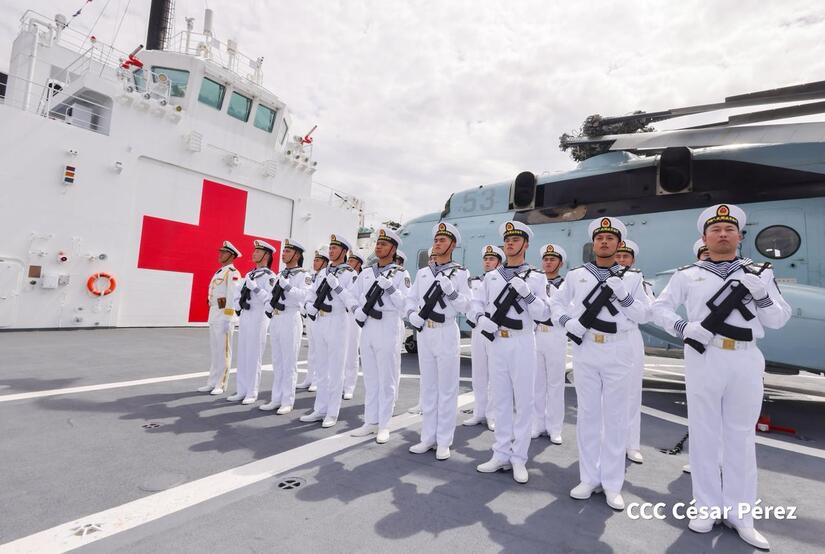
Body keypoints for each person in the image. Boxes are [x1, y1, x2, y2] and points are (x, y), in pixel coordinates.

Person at [652, 204, 790, 549]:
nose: (723, 234)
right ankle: (706, 507)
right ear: (704, 238)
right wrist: (684, 327)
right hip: (705, 356)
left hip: (745, 357)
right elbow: (659, 308)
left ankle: (742, 515)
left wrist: (761, 295)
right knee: (704, 433)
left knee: (741, 437)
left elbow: (778, 320)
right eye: (716, 230)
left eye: (729, 229)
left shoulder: (760, 273)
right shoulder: (687, 274)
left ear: (740, 236)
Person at [550, 217, 649, 509]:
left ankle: (612, 483)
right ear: (593, 244)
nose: (604, 242)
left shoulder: (633, 277)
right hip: (587, 349)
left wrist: (625, 297)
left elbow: (644, 314)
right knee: (588, 415)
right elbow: (555, 304)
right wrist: (568, 322)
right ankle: (589, 478)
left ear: (619, 244)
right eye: (599, 238)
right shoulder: (577, 275)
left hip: (619, 349)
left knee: (616, 418)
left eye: (610, 238)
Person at [471, 221, 550, 484]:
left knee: (524, 401)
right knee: (501, 399)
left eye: (515, 240)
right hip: (497, 341)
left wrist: (528, 295)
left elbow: (544, 313)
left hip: (522, 341)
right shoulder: (492, 277)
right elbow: (476, 305)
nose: (510, 244)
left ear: (525, 244)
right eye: (507, 240)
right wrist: (481, 319)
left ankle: (519, 457)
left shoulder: (536, 277)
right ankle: (501, 453)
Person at [406, 223, 471, 460]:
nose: (437, 243)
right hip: (426, 332)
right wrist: (411, 314)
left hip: (445, 331)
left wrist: (452, 292)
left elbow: (466, 305)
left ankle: (444, 440)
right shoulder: (423, 273)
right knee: (429, 387)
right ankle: (427, 437)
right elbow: (411, 298)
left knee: (447, 389)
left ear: (452, 245)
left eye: (443, 240)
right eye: (436, 239)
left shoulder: (460, 273)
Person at [348, 228, 410, 443]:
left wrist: (392, 289)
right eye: (378, 243)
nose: (379, 247)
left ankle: (384, 424)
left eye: (384, 244)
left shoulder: (400, 274)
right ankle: (370, 421)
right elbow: (352, 296)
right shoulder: (366, 273)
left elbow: (405, 305)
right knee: (371, 377)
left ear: (393, 249)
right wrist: (356, 309)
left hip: (388, 324)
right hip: (368, 325)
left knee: (387, 378)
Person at [300, 234, 358, 428]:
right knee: (322, 368)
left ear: (344, 251)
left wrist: (338, 288)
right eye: (330, 248)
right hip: (320, 320)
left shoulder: (350, 273)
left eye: (335, 248)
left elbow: (353, 301)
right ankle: (320, 409)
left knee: (335, 369)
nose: (331, 251)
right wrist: (308, 304)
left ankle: (332, 412)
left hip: (338, 320)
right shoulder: (323, 272)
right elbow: (311, 291)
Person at [613, 239, 655, 464]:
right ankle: (610, 442)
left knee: (631, 393)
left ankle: (632, 445)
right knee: (607, 396)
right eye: (618, 256)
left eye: (625, 257)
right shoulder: (601, 280)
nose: (621, 260)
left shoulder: (641, 283)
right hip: (606, 339)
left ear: (633, 260)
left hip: (629, 337)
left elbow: (649, 312)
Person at [260, 239, 310, 414]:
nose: (284, 254)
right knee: (277, 360)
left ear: (297, 255)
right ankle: (276, 398)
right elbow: (271, 294)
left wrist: (288, 287)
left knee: (289, 362)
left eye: (288, 251)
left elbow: (305, 296)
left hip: (290, 317)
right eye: (284, 251)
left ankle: (287, 400)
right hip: (276, 317)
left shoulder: (303, 275)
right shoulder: (280, 273)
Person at [229, 240, 276, 404]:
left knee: (254, 354)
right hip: (246, 314)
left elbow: (270, 299)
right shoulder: (250, 274)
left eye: (258, 251)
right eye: (254, 251)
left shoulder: (270, 277)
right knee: (243, 352)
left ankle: (252, 391)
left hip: (259, 315)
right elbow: (238, 291)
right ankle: (241, 390)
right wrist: (236, 303)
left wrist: (256, 288)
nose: (254, 253)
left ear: (266, 255)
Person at [463, 244, 504, 431]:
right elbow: (469, 304)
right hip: (478, 329)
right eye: (486, 259)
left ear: (499, 263)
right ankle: (479, 412)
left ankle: (492, 414)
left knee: (495, 374)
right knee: (478, 373)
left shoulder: (503, 281)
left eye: (492, 259)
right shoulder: (474, 281)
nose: (488, 262)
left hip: (495, 330)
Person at [532, 243, 568, 444]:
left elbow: (570, 308)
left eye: (552, 259)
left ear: (560, 263)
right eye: (545, 259)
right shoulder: (536, 282)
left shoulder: (565, 285)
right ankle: (538, 424)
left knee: (555, 384)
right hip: (537, 334)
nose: (548, 262)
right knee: (537, 383)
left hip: (555, 334)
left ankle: (555, 428)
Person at [199, 240, 241, 395]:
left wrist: (228, 318)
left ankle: (221, 383)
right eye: (220, 252)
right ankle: (212, 382)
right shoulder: (220, 271)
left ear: (231, 256)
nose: (220, 254)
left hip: (224, 316)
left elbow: (232, 296)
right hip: (215, 314)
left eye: (224, 252)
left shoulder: (232, 272)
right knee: (215, 351)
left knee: (224, 352)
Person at [297, 247, 329, 392]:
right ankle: (309, 378)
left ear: (325, 262)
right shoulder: (313, 276)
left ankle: (317, 379)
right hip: (310, 316)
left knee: (320, 351)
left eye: (318, 260)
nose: (314, 262)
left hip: (321, 316)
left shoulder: (326, 276)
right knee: (312, 350)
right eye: (314, 260)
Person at [343, 249, 367, 400]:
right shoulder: (344, 275)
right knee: (340, 352)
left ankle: (349, 386)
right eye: (348, 260)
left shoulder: (359, 279)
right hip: (341, 316)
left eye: (352, 261)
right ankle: (340, 383)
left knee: (351, 351)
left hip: (353, 317)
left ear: (358, 264)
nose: (349, 263)